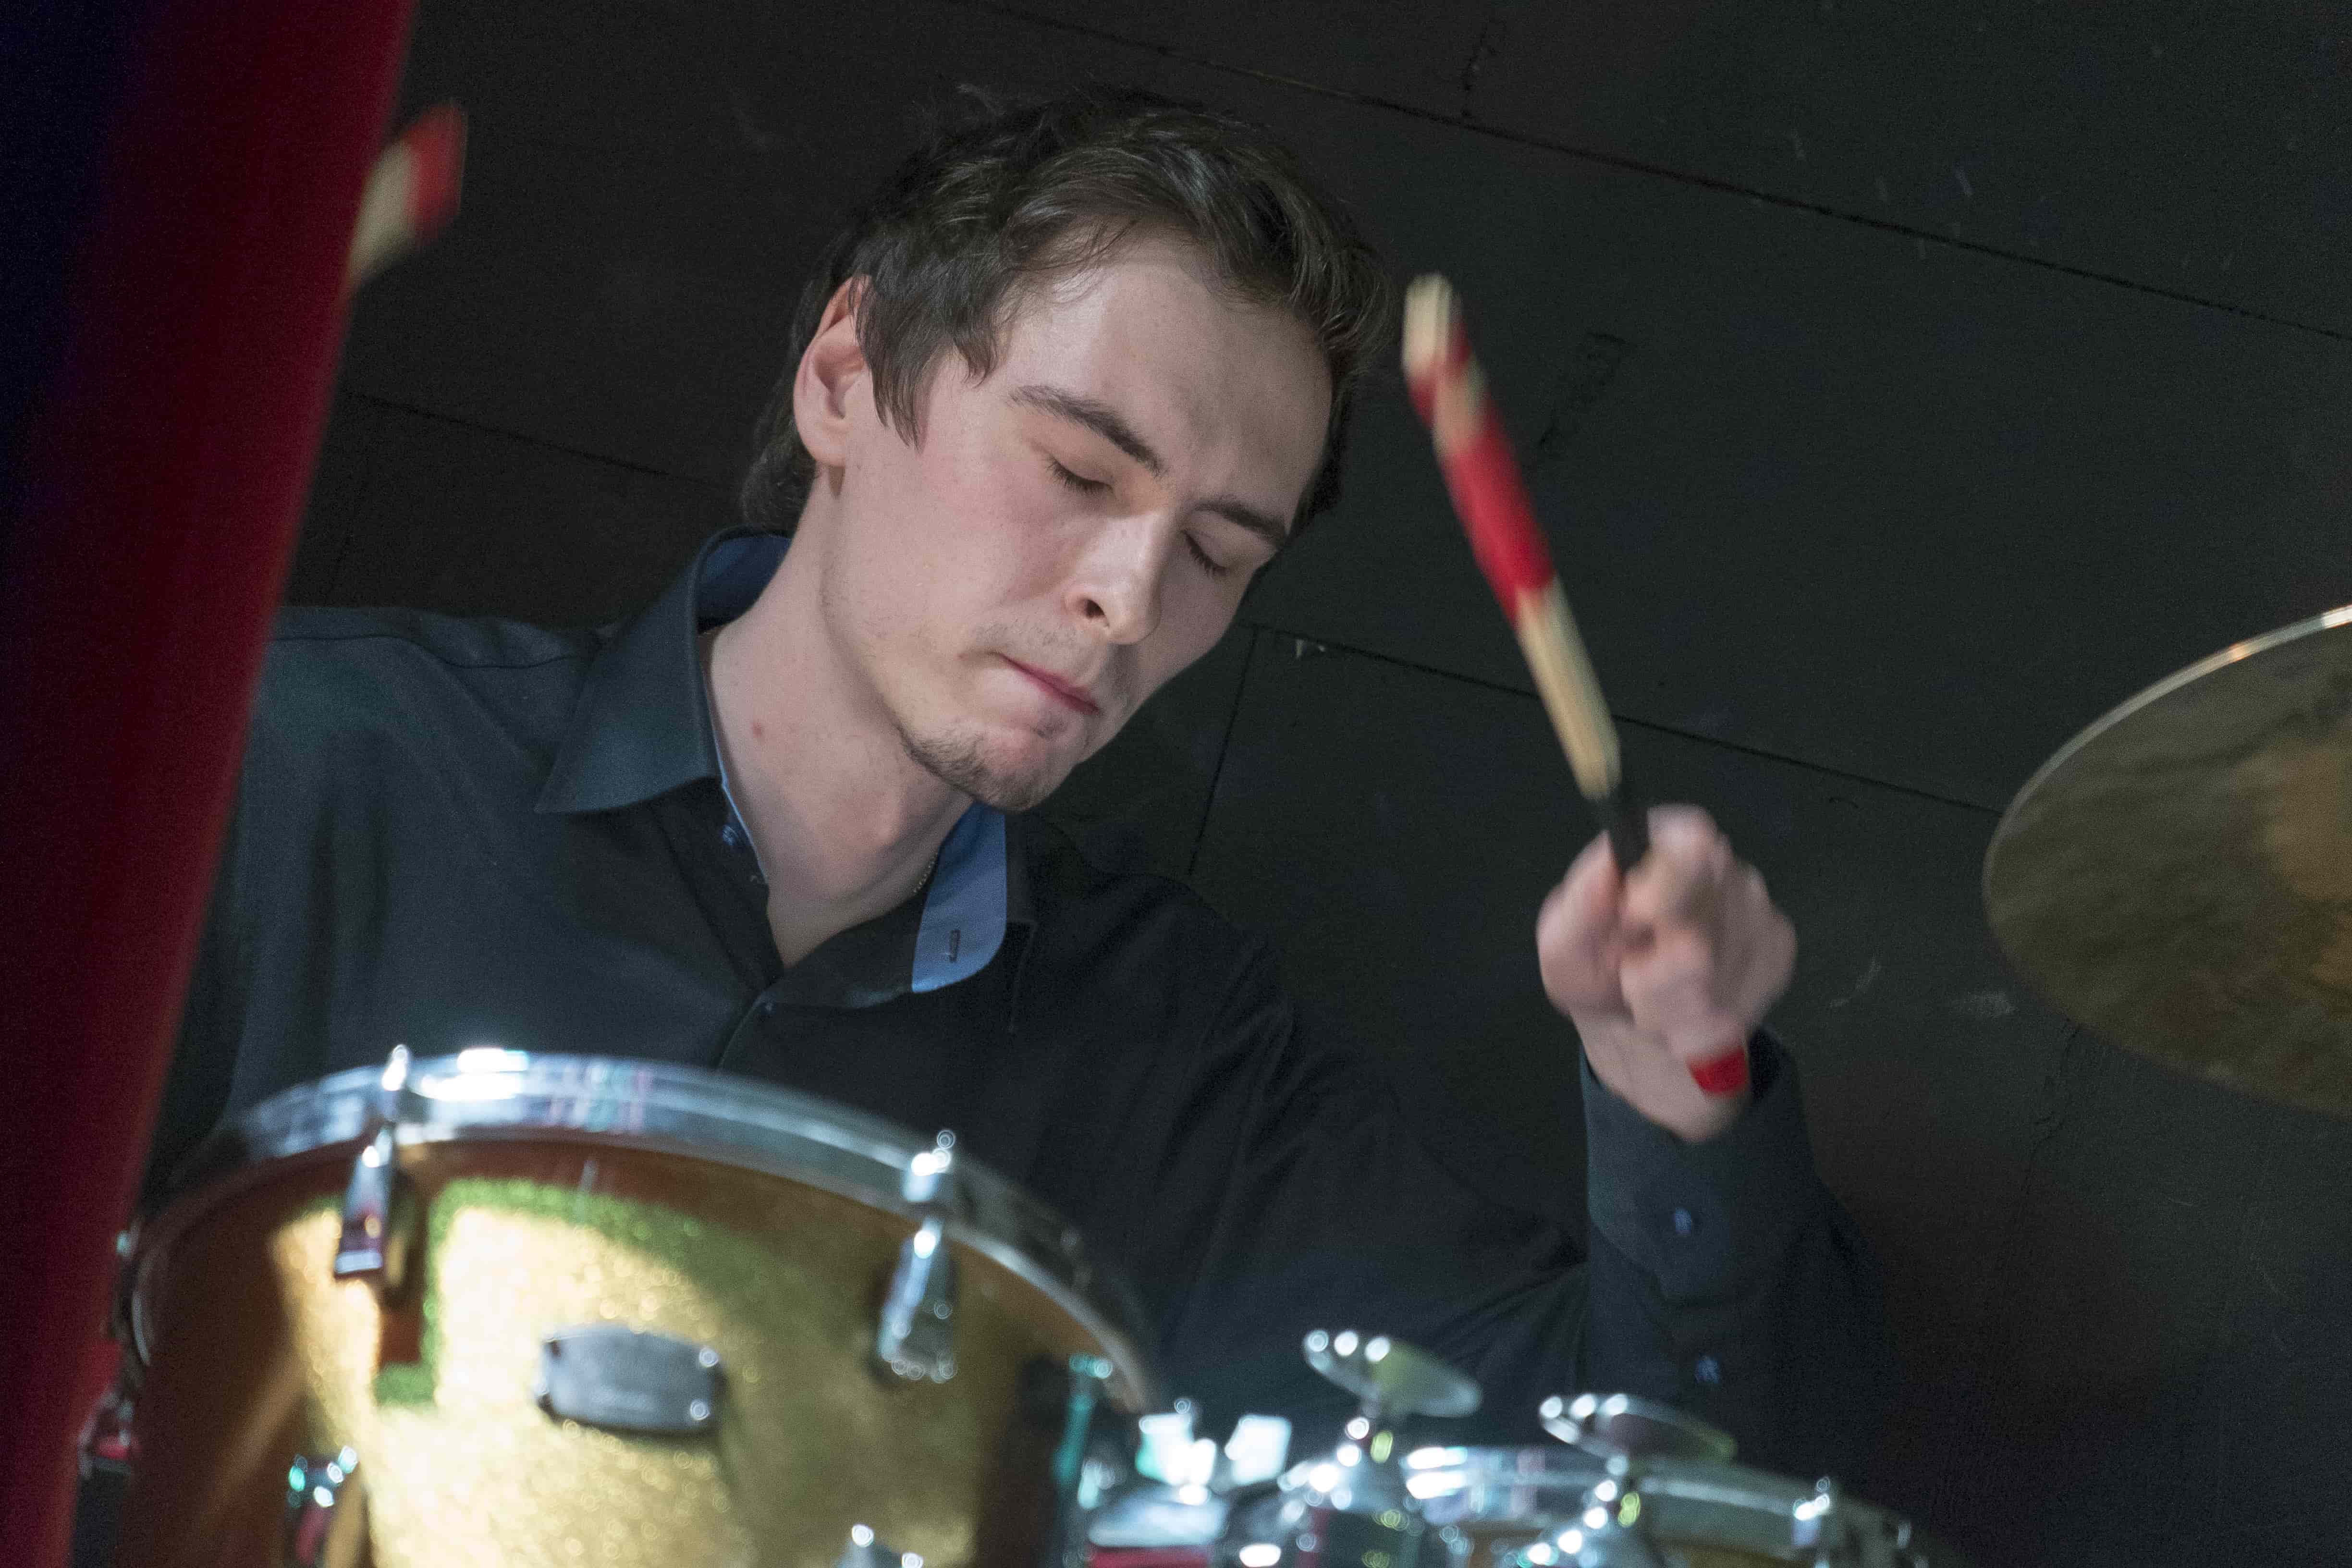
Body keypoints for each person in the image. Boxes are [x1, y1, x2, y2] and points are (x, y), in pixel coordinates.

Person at [147, 85, 1890, 1476]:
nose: (1131, 598)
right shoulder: (293, 772)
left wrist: (1674, 1090)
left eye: (1218, 553)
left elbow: (1673, 1486)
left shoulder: (1178, 1060)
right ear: (846, 378)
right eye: (1077, 470)